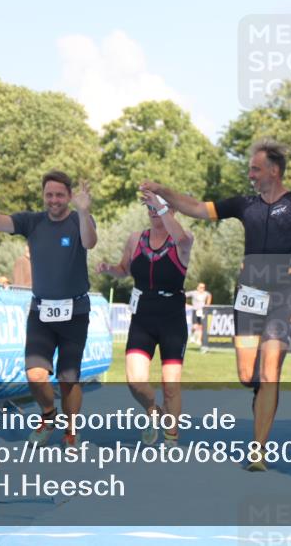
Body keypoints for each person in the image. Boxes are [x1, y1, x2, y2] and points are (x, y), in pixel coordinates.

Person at [141, 94, 291, 471]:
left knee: (271, 369)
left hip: (283, 295)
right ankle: (263, 396)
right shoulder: (244, 204)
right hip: (249, 295)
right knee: (247, 375)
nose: (251, 175)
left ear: (274, 170)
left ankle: (259, 450)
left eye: (256, 169)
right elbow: (198, 208)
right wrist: (164, 191)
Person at [0, 170, 97, 447]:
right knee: (34, 374)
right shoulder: (32, 221)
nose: (54, 200)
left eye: (60, 195)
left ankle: (71, 429)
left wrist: (85, 210)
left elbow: (90, 242)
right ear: (43, 196)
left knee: (69, 379)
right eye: (49, 194)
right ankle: (48, 414)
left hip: (75, 311)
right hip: (41, 311)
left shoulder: (79, 219)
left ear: (68, 196)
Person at [96, 191, 193, 447]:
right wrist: (109, 270)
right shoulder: (136, 238)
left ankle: (171, 438)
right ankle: (153, 411)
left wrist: (161, 204)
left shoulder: (183, 240)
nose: (152, 210)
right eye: (149, 206)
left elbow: (181, 237)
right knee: (135, 382)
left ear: (171, 210)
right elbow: (124, 269)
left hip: (172, 317)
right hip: (143, 317)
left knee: (170, 385)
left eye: (159, 206)